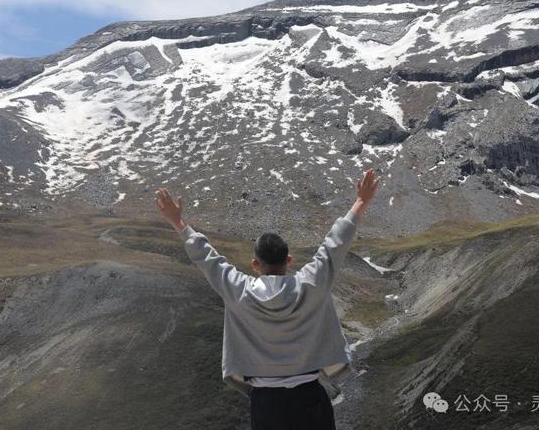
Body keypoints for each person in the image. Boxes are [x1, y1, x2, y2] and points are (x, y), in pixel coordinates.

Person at [154, 168, 380, 430]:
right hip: (310, 396)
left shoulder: (239, 290)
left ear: (254, 264)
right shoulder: (310, 284)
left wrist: (177, 221)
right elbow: (335, 245)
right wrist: (361, 201)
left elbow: (207, 257)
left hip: (267, 403)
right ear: (289, 261)